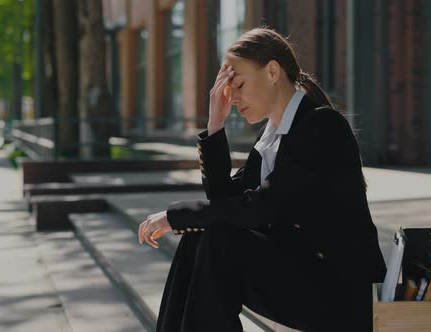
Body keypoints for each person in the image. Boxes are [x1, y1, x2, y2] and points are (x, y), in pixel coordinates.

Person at [138, 27, 387, 332]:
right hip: (301, 278)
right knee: (200, 234)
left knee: (218, 237)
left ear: (272, 71)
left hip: (339, 296)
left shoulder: (321, 126)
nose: (233, 97)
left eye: (239, 84)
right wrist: (215, 125)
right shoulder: (271, 135)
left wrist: (174, 215)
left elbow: (264, 206)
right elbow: (226, 201)